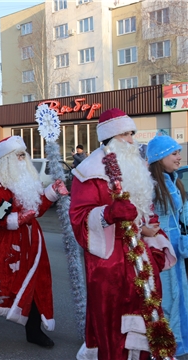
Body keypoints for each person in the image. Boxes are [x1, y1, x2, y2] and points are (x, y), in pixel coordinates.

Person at [69, 108, 177, 359]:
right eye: (127, 134)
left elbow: (145, 208)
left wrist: (149, 232)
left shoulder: (134, 166)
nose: (132, 140)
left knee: (146, 317)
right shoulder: (89, 171)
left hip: (139, 258)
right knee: (114, 326)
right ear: (112, 137)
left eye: (132, 134)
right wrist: (109, 213)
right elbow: (79, 218)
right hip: (108, 262)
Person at [0, 136, 68, 349]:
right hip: (5, 241)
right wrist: (15, 219)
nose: (22, 159)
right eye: (18, 155)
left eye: (23, 155)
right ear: (6, 159)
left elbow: (37, 208)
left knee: (36, 282)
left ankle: (34, 331)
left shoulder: (29, 179)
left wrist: (52, 193)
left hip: (32, 240)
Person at [147, 134, 188, 357]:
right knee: (164, 299)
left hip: (177, 249)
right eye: (174, 153)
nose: (179, 157)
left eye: (179, 152)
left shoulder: (174, 181)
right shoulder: (151, 186)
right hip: (159, 250)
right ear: (159, 157)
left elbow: (182, 215)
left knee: (179, 296)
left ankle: (177, 342)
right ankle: (162, 347)